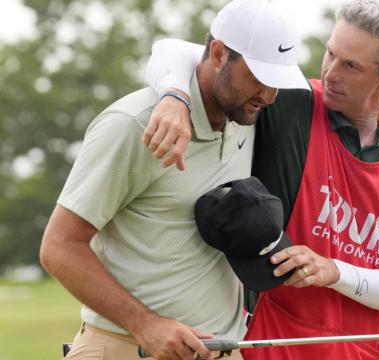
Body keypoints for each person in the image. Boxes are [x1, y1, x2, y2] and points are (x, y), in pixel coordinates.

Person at [144, 0, 379, 359]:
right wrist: (175, 96)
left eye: (351, 65)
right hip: (265, 345)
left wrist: (333, 270)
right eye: (330, 53)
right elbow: (180, 51)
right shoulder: (291, 104)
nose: (332, 72)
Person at [38, 0, 311, 359]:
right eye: (259, 77)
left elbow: (178, 52)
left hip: (221, 350)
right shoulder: (132, 124)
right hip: (129, 348)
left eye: (277, 81)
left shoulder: (245, 112)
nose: (270, 95)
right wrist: (145, 324)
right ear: (217, 54)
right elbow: (59, 247)